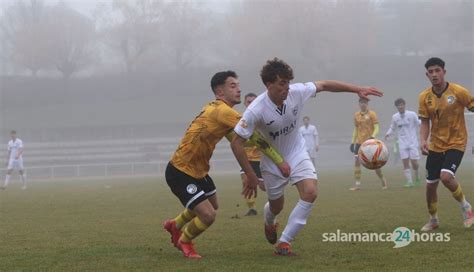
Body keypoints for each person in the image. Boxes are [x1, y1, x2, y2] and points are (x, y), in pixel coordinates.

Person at [231, 58, 383, 256]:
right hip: (271, 162)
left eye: (288, 82)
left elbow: (324, 85)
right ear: (268, 85)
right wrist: (251, 176)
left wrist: (357, 89)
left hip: (297, 152)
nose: (287, 88)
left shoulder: (297, 92)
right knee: (277, 206)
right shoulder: (256, 110)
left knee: (310, 192)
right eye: (282, 83)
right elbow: (236, 142)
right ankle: (269, 221)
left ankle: (284, 242)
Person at [162, 71, 288, 259]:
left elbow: (238, 141)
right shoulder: (224, 112)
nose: (239, 89)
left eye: (238, 85)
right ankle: (185, 241)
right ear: (220, 91)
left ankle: (174, 224)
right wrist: (279, 161)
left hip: (198, 171)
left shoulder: (218, 110)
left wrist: (247, 171)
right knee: (208, 215)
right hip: (180, 171)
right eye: (233, 86)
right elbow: (253, 138)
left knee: (213, 204)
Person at [418, 57, 474, 231]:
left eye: (437, 70)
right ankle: (433, 220)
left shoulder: (459, 92)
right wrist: (422, 140)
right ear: (427, 75)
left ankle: (466, 208)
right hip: (436, 144)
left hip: (456, 142)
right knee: (430, 186)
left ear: (444, 72)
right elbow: (425, 121)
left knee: (446, 177)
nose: (434, 74)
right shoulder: (424, 97)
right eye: (431, 72)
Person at [349, 98, 388, 191]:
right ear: (359, 104)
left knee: (374, 163)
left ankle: (383, 180)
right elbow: (356, 129)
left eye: (365, 103)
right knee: (357, 162)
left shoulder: (372, 114)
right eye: (362, 102)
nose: (363, 104)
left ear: (367, 104)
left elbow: (376, 127)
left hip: (370, 143)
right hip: (359, 143)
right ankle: (357, 185)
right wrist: (352, 142)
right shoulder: (356, 115)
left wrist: (373, 136)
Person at [384, 98, 421, 187]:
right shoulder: (395, 117)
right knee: (405, 162)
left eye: (401, 105)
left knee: (414, 163)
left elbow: (419, 123)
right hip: (402, 143)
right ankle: (409, 182)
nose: (400, 106)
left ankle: (416, 175)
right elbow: (392, 127)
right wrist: (387, 134)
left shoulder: (412, 114)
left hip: (412, 142)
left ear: (404, 105)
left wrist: (425, 124)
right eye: (398, 105)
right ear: (396, 107)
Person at [240, 92, 265, 216]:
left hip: (260, 158)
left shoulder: (262, 118)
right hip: (246, 158)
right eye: (249, 101)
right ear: (245, 103)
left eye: (254, 101)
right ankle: (252, 209)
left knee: (264, 186)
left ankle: (274, 202)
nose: (251, 104)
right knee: (246, 182)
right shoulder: (240, 118)